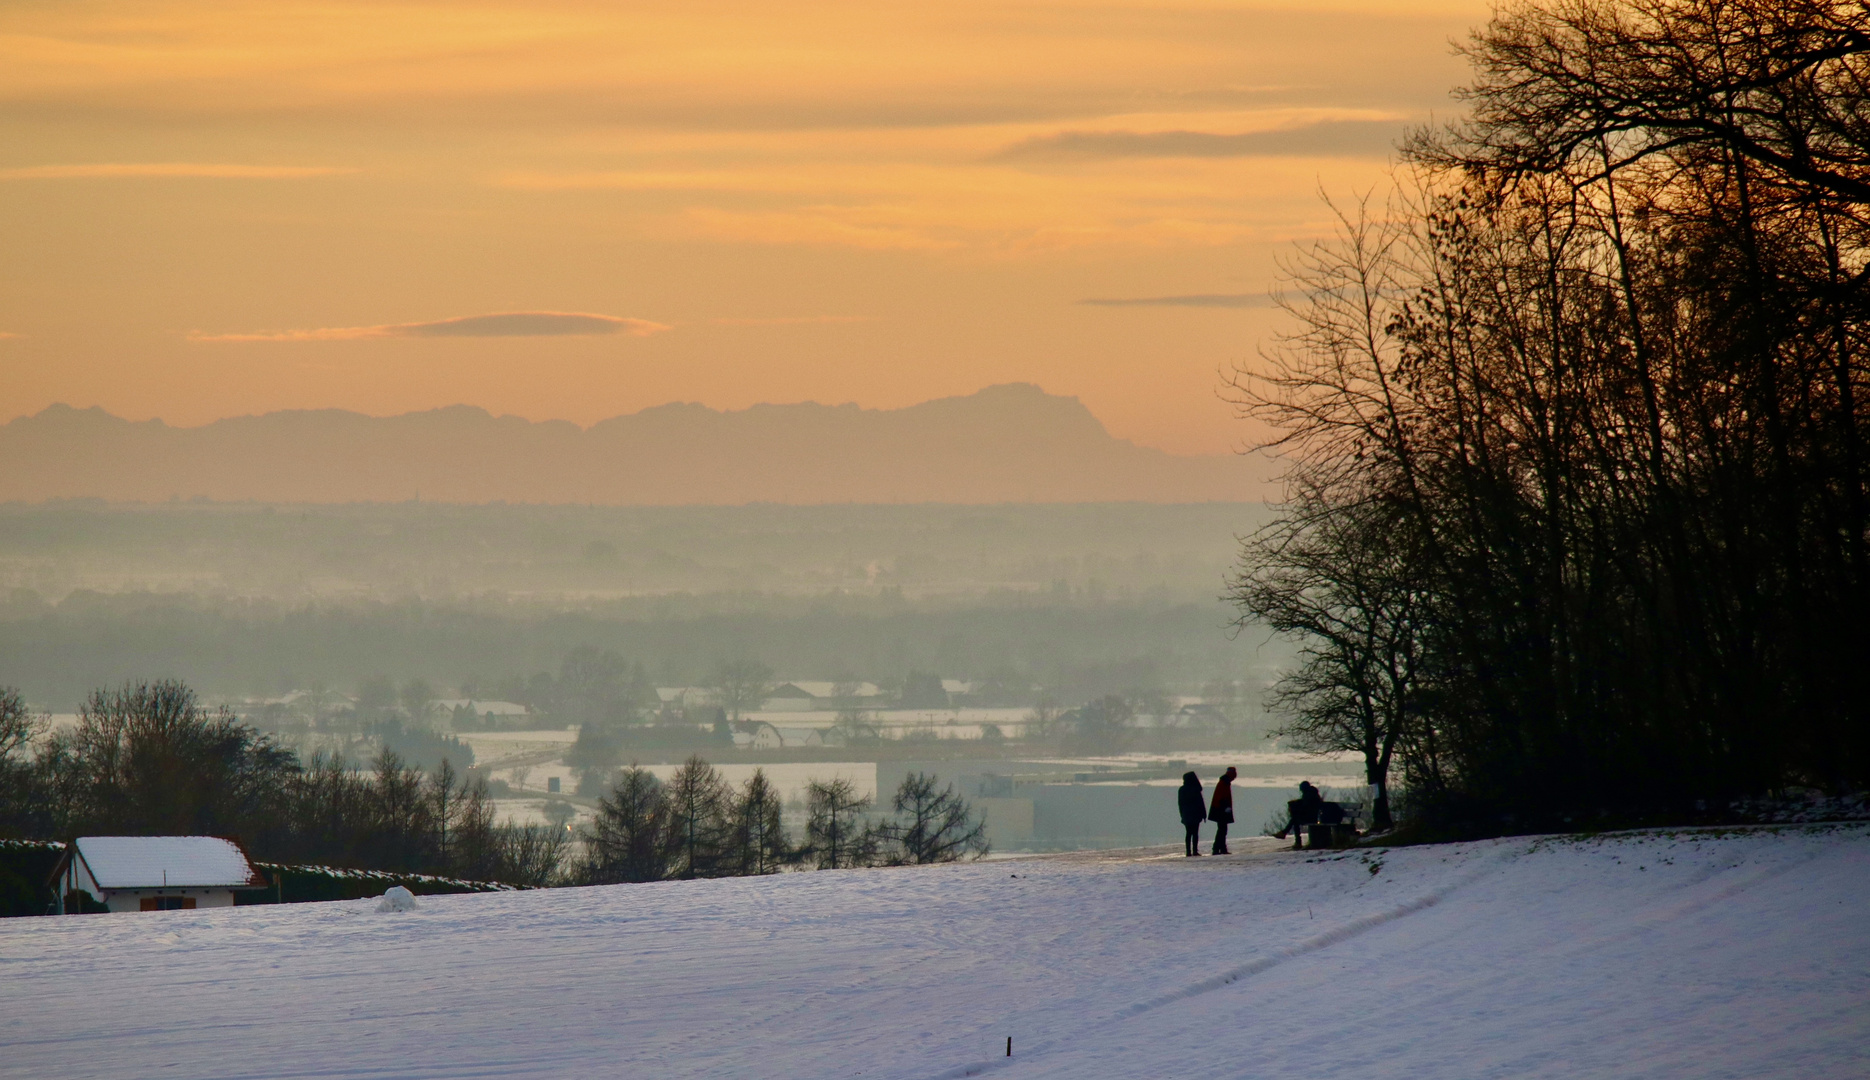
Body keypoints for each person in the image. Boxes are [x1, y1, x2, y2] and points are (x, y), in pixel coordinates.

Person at [1278, 780, 1326, 849]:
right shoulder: (1311, 793)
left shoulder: (1309, 795)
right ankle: (1285, 834)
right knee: (1294, 820)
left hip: (1311, 818)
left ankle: (1295, 840)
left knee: (1295, 820)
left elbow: (1306, 808)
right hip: (1312, 816)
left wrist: (1296, 810)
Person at [1208, 766, 1237, 854]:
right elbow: (1222, 797)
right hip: (1221, 810)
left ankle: (1220, 848)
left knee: (1222, 830)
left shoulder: (1224, 782)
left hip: (1219, 809)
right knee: (1222, 830)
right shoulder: (1224, 783)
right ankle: (1217, 848)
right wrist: (1226, 807)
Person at [1176, 771, 1206, 856]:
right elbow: (1201, 802)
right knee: (1195, 833)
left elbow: (1180, 803)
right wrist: (1203, 814)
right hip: (1196, 814)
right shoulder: (1196, 789)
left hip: (1187, 814)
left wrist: (1182, 815)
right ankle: (1195, 851)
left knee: (1188, 833)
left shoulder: (1182, 789)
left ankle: (1188, 851)